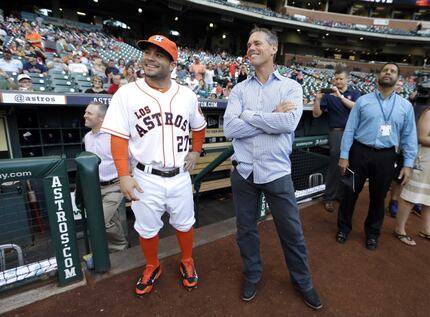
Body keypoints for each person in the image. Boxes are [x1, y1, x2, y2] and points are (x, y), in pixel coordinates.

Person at [223, 27, 322, 310]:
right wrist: (270, 118)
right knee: (245, 231)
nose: (251, 47)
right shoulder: (240, 89)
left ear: (272, 49)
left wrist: (250, 116)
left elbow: (288, 124)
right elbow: (230, 128)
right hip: (243, 171)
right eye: (248, 43)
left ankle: (303, 283)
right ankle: (252, 275)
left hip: (277, 172)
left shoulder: (290, 86)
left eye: (257, 43)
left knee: (291, 231)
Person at [101, 34, 206, 296]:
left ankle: (187, 261)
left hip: (180, 175)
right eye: (148, 52)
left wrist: (196, 150)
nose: (150, 57)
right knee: (146, 228)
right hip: (145, 176)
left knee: (185, 223)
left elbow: (199, 127)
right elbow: (118, 138)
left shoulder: (187, 95)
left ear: (172, 64)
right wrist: (123, 175)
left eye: (159, 54)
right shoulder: (126, 93)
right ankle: (152, 265)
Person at [336, 63, 418, 251]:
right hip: (359, 152)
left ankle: (372, 233)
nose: (388, 73)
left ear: (398, 79)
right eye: (385, 70)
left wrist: (408, 164)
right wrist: (343, 155)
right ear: (378, 76)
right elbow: (350, 130)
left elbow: (409, 137)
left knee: (378, 197)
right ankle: (343, 228)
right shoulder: (363, 101)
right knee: (350, 193)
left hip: (386, 156)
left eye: (393, 71)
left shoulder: (405, 107)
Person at [312, 67, 360, 212]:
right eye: (336, 79)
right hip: (337, 133)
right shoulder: (328, 96)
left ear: (347, 80)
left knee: (351, 166)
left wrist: (340, 97)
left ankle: (341, 194)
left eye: (341, 79)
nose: (338, 81)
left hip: (353, 133)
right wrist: (318, 99)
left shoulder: (354, 93)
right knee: (336, 165)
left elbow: (357, 107)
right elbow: (316, 114)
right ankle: (329, 197)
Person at [83, 102, 129, 253]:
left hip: (114, 186)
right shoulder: (87, 138)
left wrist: (127, 177)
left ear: (101, 118)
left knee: (101, 220)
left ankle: (120, 246)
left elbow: (132, 158)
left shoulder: (114, 136)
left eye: (89, 113)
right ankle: (117, 248)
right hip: (96, 186)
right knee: (110, 219)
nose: (85, 115)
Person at [393, 104, 430, 246]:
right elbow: (421, 137)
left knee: (429, 198)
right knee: (410, 196)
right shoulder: (428, 113)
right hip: (424, 160)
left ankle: (426, 229)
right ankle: (399, 229)